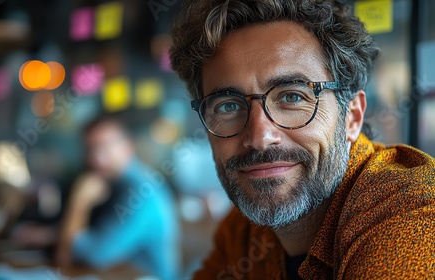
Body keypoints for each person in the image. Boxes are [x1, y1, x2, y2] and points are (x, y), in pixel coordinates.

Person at [169, 0, 435, 279]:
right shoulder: (243, 230)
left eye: (292, 97)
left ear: (352, 117)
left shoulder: (410, 213)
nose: (260, 138)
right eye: (228, 106)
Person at [56, 115, 180, 279]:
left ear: (128, 147)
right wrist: (50, 235)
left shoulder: (140, 194)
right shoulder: (117, 183)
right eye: (90, 149)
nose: (96, 159)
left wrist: (79, 202)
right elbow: (98, 233)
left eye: (104, 147)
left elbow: (91, 255)